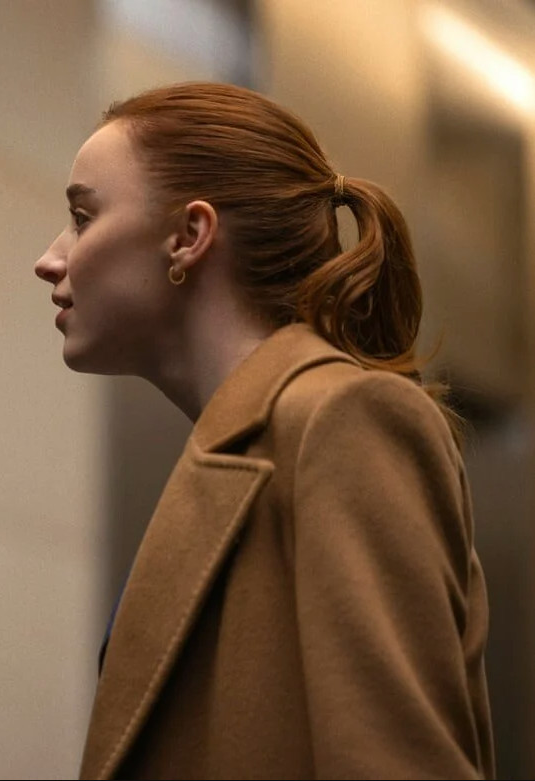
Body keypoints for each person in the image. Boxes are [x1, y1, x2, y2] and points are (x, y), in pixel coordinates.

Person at [34, 82, 494, 779]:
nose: (50, 258)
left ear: (188, 236)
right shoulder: (247, 444)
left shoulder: (343, 418)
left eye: (81, 217)